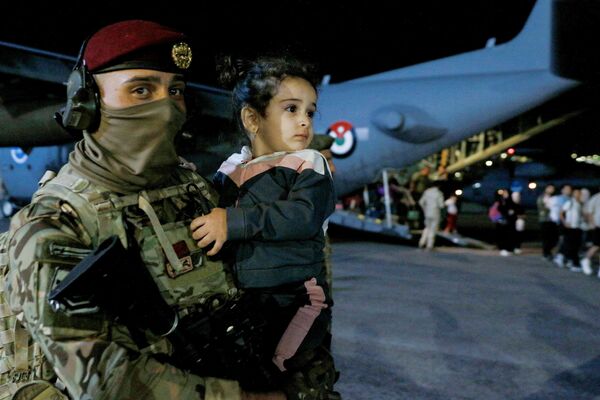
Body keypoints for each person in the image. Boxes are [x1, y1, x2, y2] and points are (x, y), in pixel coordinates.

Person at [3, 20, 287, 400]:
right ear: (86, 104)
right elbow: (100, 378)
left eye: (176, 91)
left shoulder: (192, 189)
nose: (166, 107)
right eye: (140, 89)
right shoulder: (56, 222)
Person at [190, 56, 339, 398]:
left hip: (297, 297)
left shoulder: (308, 164)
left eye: (310, 112)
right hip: (246, 299)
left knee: (279, 369)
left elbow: (302, 215)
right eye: (291, 109)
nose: (305, 122)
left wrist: (233, 221)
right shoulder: (231, 168)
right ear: (252, 118)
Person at [417, 181, 444, 250]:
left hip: (427, 212)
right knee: (433, 229)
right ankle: (430, 245)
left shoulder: (427, 192)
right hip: (435, 212)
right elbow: (441, 205)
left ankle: (421, 242)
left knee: (427, 227)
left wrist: (425, 209)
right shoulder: (439, 193)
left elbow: (421, 202)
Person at [582, 186, 600, 276]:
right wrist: (592, 224)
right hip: (597, 226)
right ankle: (586, 260)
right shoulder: (596, 197)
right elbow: (589, 212)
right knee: (596, 246)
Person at [537, 184, 557, 260]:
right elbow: (541, 208)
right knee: (546, 237)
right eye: (549, 188)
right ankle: (546, 253)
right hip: (545, 220)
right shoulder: (542, 197)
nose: (551, 190)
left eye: (552, 188)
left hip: (553, 220)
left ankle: (548, 252)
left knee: (553, 238)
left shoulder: (554, 198)